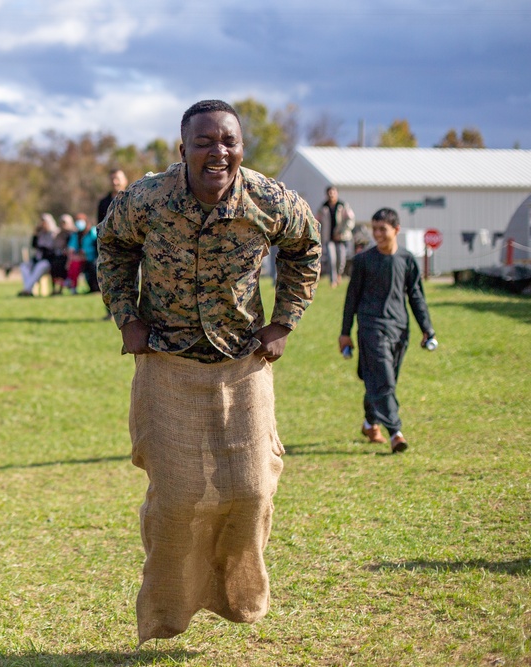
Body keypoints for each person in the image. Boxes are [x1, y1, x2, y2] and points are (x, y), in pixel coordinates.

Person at [97, 100, 321, 644]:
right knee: (176, 499)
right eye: (204, 141)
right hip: (168, 364)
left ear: (241, 148)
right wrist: (128, 318)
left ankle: (238, 595)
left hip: (243, 363)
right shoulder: (146, 199)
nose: (218, 151)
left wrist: (284, 322)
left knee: (250, 492)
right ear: (183, 150)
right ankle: (167, 611)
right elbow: (111, 248)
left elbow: (306, 246)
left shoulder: (269, 200)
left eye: (228, 141)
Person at [339, 208, 435, 454]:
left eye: (383, 229)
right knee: (384, 380)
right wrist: (345, 332)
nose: (378, 234)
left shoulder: (407, 259)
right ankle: (396, 432)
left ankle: (370, 423)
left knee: (381, 380)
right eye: (375, 228)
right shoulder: (363, 261)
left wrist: (427, 329)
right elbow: (352, 298)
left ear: (396, 230)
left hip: (399, 329)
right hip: (371, 327)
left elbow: (416, 297)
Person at [98, 169, 129, 318]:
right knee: (109, 281)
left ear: (125, 180)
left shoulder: (133, 198)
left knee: (131, 282)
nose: (115, 182)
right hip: (110, 247)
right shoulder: (103, 203)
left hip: (131, 246)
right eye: (112, 179)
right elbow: (100, 224)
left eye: (118, 179)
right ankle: (110, 313)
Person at [316, 185, 355, 287]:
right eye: (329, 193)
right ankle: (333, 281)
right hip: (328, 238)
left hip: (341, 238)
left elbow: (350, 220)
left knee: (341, 260)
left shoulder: (342, 206)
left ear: (336, 193)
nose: (331, 194)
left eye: (333, 192)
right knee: (331, 259)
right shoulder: (323, 207)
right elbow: (316, 221)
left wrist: (342, 231)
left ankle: (339, 275)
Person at [18, 214, 60, 296]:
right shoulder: (40, 234)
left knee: (40, 266)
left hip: (49, 262)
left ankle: (27, 289)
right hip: (37, 260)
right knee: (23, 266)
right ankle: (28, 289)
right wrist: (35, 233)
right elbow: (33, 245)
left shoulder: (55, 233)